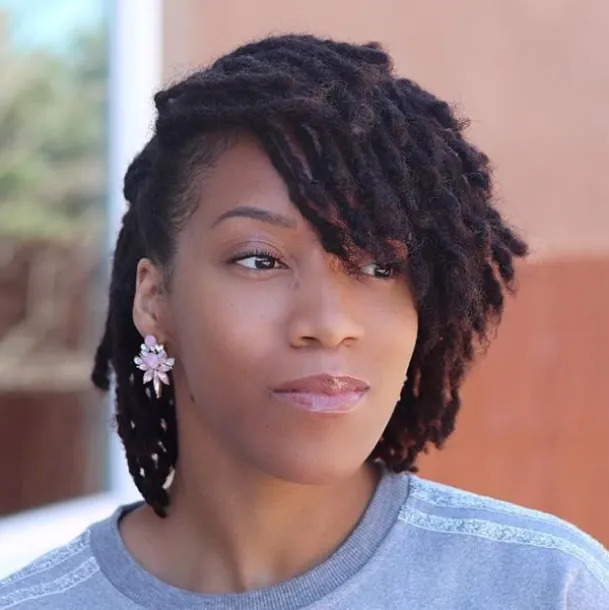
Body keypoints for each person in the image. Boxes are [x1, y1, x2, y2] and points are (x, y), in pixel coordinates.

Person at [1, 33, 607, 609]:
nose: (328, 322)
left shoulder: (547, 589)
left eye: (377, 266)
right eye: (259, 259)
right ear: (155, 300)